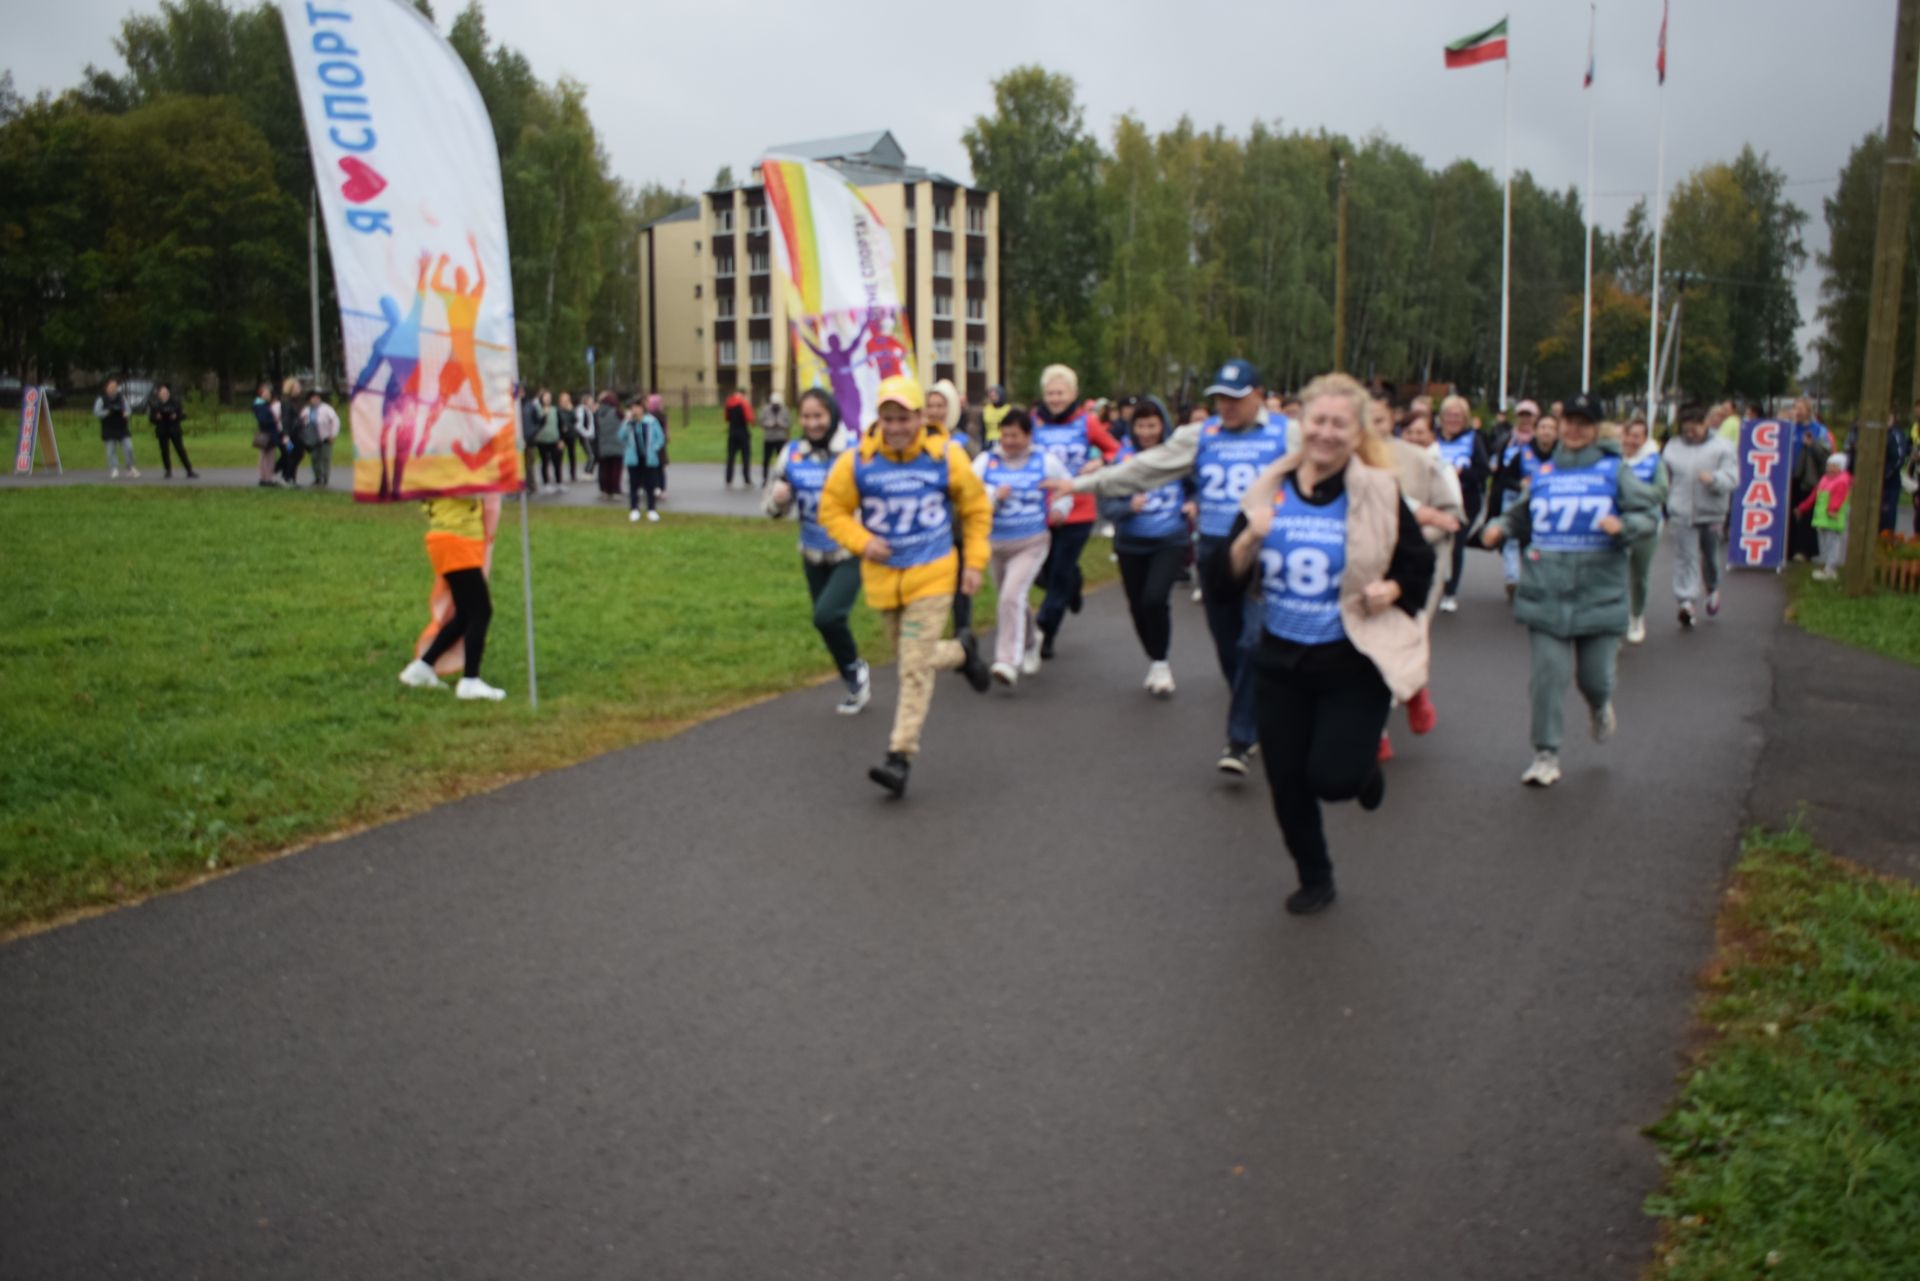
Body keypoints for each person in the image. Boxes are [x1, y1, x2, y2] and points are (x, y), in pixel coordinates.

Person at [1209, 373, 1434, 915]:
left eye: (1339, 424)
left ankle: (1361, 772)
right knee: (1287, 783)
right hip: (1279, 661)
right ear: (1301, 426)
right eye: (1318, 421)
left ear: (1356, 434)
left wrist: (1395, 587)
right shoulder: (1269, 489)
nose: (1326, 434)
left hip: (1349, 662)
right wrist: (1248, 537)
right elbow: (1220, 583)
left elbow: (1419, 565)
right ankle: (1316, 876)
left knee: (1331, 778)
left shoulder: (1379, 492)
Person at [1056, 359, 1295, 776]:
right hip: (1216, 553)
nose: (1227, 406)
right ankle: (1253, 705)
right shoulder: (1200, 435)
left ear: (1259, 396)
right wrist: (1082, 484)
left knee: (1252, 641)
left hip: (1267, 551)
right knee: (1227, 645)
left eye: (1236, 398)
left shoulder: (1286, 434)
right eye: (1221, 397)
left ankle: (1240, 738)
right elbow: (1144, 469)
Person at [818, 375, 993, 796]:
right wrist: (862, 541)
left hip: (933, 574)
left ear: (920, 417)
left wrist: (974, 563)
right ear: (877, 419)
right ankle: (962, 651)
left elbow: (975, 510)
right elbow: (832, 510)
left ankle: (899, 756)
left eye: (904, 418)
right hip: (884, 580)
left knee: (913, 668)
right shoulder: (857, 461)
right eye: (888, 419)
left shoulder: (945, 456)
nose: (896, 428)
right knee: (911, 657)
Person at [1483, 393, 1658, 787]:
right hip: (1545, 593)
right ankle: (1546, 754)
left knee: (1594, 678)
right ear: (1560, 426)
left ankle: (1599, 705)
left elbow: (1648, 514)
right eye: (1570, 422)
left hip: (1599, 595)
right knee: (1548, 676)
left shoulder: (1614, 472)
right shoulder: (1544, 473)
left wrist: (1624, 528)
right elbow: (1520, 515)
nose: (1575, 430)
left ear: (1596, 430)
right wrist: (1500, 528)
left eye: (1584, 424)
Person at [765, 388, 870, 714]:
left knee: (828, 615)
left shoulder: (854, 452)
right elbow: (772, 508)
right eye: (807, 416)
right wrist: (779, 501)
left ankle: (855, 671)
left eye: (819, 416)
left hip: (849, 550)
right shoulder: (791, 454)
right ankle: (854, 675)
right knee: (825, 622)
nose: (812, 423)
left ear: (832, 415)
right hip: (811, 551)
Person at [1373, 403, 1463, 755]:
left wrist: (1418, 527)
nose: (1370, 427)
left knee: (1402, 640)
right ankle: (1378, 729)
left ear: (1392, 419)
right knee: (1366, 646)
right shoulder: (1341, 458)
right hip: (1365, 567)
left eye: (1378, 419)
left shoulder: (1421, 459)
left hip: (1410, 564)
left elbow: (1451, 515)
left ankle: (1412, 691)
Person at [974, 407, 1075, 686]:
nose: (1009, 441)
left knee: (1010, 596)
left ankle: (1006, 661)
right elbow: (970, 496)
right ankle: (1032, 640)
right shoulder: (987, 462)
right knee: (1013, 598)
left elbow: (1066, 487)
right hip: (996, 543)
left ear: (1028, 436)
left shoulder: (1045, 461)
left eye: (1015, 435)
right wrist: (994, 495)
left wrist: (1060, 509)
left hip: (1032, 541)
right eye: (1005, 435)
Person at [1097, 396, 1189, 696]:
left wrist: (1193, 504)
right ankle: (1155, 659)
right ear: (1132, 427)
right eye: (1141, 425)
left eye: (1152, 425)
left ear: (1163, 425)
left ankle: (1161, 663)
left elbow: (1199, 488)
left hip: (1169, 540)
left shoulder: (1178, 456)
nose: (1147, 432)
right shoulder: (1122, 459)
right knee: (1138, 606)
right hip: (1130, 544)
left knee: (1154, 599)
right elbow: (1106, 505)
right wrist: (1127, 507)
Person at [398, 497, 506, 701]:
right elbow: (473, 490)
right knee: (480, 610)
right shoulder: (451, 470)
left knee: (465, 613)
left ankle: (422, 668)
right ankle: (470, 681)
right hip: (457, 540)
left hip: (450, 539)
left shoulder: (438, 469)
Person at [1661, 403, 1738, 628]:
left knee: (1710, 556)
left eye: (1695, 429)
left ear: (1706, 424)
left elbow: (1733, 478)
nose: (1691, 434)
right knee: (1686, 557)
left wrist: (1714, 479)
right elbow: (1664, 477)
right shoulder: (1673, 447)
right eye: (1686, 430)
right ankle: (1686, 601)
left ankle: (1712, 588)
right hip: (1681, 511)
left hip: (1712, 511)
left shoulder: (1722, 447)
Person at [1491, 406, 1557, 602]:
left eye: (1550, 428)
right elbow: (1504, 478)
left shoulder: (1562, 456)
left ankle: (1534, 582)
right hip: (1517, 499)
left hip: (1546, 504)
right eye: (1542, 427)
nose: (1546, 431)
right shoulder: (1523, 453)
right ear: (1536, 431)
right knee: (1510, 538)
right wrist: (1519, 483)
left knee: (1535, 545)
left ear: (1557, 432)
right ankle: (1513, 579)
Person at [1433, 394, 1488, 613]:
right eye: (1449, 414)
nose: (1453, 419)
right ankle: (1431, 585)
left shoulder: (1473, 439)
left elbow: (1483, 471)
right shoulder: (1433, 438)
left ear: (1465, 418)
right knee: (1433, 543)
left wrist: (1461, 473)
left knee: (1455, 544)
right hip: (1436, 499)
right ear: (1442, 417)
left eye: (1458, 415)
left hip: (1465, 500)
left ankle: (1450, 591)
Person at [1620, 417, 1668, 643]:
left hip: (1645, 525)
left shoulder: (1653, 462)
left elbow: (1660, 492)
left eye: (1637, 436)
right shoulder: (1613, 460)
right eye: (1628, 435)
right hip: (1616, 524)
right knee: (1612, 574)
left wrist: (1631, 492)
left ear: (1645, 438)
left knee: (1638, 576)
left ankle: (1636, 616)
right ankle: (1615, 619)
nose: (1632, 440)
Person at [1786, 399, 1831, 561]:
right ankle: (1788, 547)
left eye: (1800, 408)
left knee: (1805, 513)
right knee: (1789, 511)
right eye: (1794, 407)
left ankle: (1804, 550)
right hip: (1789, 476)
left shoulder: (1818, 430)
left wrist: (1812, 444)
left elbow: (1825, 454)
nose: (1796, 411)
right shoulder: (1789, 428)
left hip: (1808, 477)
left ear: (1808, 411)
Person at [1796, 452, 1852, 580]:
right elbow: (1814, 495)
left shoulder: (1842, 481)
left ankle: (1831, 569)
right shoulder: (1825, 479)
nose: (1830, 468)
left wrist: (1833, 509)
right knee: (1825, 544)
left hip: (1833, 519)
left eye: (1834, 465)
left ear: (1841, 467)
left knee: (1833, 543)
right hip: (1822, 519)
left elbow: (1839, 497)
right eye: (1829, 465)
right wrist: (1803, 507)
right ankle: (1827, 567)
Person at [617, 396, 666, 522]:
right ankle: (634, 509)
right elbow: (621, 436)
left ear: (642, 408)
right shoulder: (629, 422)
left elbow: (660, 437)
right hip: (634, 459)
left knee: (650, 485)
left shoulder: (651, 421)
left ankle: (651, 510)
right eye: (633, 408)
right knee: (634, 484)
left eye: (637, 407)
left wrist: (654, 448)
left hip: (649, 459)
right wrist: (627, 422)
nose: (635, 410)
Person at [146, 382, 196, 479]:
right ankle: (168, 470)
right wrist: (156, 418)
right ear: (159, 395)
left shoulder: (176, 403)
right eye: (162, 393)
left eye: (166, 393)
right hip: (162, 430)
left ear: (168, 393)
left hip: (174, 429)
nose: (164, 395)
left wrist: (176, 416)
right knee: (164, 451)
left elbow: (183, 415)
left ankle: (189, 470)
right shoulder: (155, 405)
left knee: (180, 450)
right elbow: (151, 419)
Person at [94, 378, 137, 477]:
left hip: (122, 427)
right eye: (111, 387)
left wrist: (126, 414)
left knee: (129, 447)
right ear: (106, 388)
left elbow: (128, 410)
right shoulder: (101, 399)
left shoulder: (122, 398)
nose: (113, 389)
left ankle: (130, 467)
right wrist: (107, 412)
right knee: (111, 450)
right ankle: (114, 468)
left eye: (115, 387)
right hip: (109, 427)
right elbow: (96, 412)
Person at [300, 388, 342, 487]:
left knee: (325, 458)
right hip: (312, 438)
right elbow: (301, 422)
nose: (315, 399)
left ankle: (325, 478)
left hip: (325, 437)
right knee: (314, 458)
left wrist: (333, 434)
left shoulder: (326, 409)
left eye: (317, 397)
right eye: (313, 398)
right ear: (309, 399)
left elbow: (335, 421)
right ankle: (317, 478)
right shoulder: (306, 410)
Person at [250, 380, 284, 488]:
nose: (269, 395)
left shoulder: (260, 405)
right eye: (267, 393)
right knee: (268, 457)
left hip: (267, 433)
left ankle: (265, 478)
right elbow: (263, 420)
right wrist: (275, 420)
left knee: (265, 456)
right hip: (268, 433)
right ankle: (267, 478)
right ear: (262, 394)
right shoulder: (261, 406)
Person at [592, 390, 625, 499]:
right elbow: (624, 421)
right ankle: (615, 489)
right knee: (615, 469)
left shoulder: (599, 413)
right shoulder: (617, 412)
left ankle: (605, 490)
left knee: (605, 468)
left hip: (603, 444)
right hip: (616, 444)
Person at [723, 387, 755, 485]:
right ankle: (746, 479)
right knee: (745, 456)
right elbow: (749, 418)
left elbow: (726, 417)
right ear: (743, 394)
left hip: (732, 432)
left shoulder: (729, 402)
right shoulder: (744, 403)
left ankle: (728, 479)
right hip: (743, 432)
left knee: (731, 456)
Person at [759, 392, 790, 482]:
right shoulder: (765, 409)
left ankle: (782, 478)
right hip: (769, 438)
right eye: (774, 404)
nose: (776, 406)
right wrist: (769, 424)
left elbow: (788, 423)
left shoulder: (785, 410)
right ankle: (764, 478)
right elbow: (761, 421)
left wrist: (781, 424)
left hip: (780, 438)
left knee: (781, 460)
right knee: (766, 460)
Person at [557, 391, 584, 484]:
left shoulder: (571, 410)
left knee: (572, 455)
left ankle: (573, 475)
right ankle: (559, 476)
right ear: (560, 401)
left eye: (567, 400)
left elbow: (576, 420)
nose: (566, 402)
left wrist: (571, 410)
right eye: (564, 400)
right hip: (561, 436)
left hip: (571, 435)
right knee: (559, 456)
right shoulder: (558, 410)